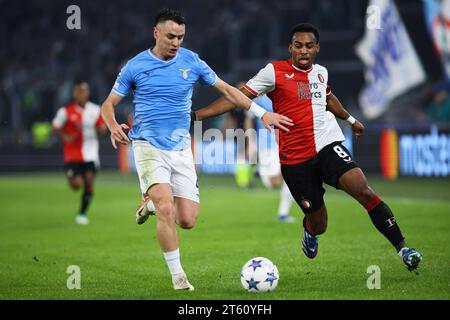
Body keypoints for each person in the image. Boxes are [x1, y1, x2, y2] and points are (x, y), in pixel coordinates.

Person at [193, 23, 423, 272]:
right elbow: (237, 97)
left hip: (327, 145)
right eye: (299, 46)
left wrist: (351, 120)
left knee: (364, 191)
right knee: (319, 223)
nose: (304, 51)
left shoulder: (321, 72)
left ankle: (403, 249)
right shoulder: (274, 72)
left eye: (309, 46)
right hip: (295, 160)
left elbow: (328, 97)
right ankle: (310, 231)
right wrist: (197, 116)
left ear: (317, 48)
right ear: (291, 47)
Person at [100, 8, 292, 291]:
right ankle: (179, 278)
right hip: (146, 145)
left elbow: (227, 90)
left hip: (180, 149)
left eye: (180, 36)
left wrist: (260, 113)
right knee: (167, 207)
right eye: (170, 36)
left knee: (187, 220)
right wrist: (112, 125)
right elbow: (108, 104)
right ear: (156, 33)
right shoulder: (135, 66)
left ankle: (150, 204)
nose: (176, 42)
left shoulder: (192, 61)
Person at [52, 81, 106, 225]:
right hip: (72, 153)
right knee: (76, 185)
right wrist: (65, 136)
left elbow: (101, 126)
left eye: (84, 91)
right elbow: (55, 127)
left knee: (89, 182)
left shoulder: (95, 109)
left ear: (88, 93)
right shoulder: (65, 111)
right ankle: (73, 177)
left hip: (91, 152)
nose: (81, 94)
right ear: (74, 93)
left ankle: (82, 214)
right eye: (79, 91)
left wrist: (102, 129)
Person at [242, 89, 296, 223]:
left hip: (285, 144)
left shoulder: (285, 96)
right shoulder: (259, 98)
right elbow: (248, 120)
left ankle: (283, 214)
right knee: (275, 183)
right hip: (266, 145)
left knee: (293, 177)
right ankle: (259, 168)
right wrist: (251, 142)